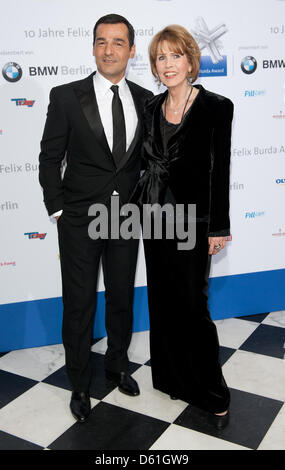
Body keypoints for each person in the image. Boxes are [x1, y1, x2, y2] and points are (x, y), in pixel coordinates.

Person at [39, 14, 153, 423]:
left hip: (126, 218)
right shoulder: (66, 96)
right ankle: (80, 383)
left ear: (131, 50)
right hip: (79, 220)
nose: (109, 50)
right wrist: (58, 209)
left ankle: (118, 365)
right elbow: (50, 158)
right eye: (102, 42)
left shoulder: (146, 99)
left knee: (121, 296)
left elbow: (150, 163)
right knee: (80, 302)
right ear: (92, 48)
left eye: (118, 43)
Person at [131, 25, 234, 429]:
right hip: (156, 220)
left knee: (193, 306)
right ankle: (174, 379)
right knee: (164, 301)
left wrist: (218, 227)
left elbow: (219, 170)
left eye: (176, 56)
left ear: (191, 61)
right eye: (161, 58)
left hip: (195, 223)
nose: (168, 64)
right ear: (155, 67)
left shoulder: (215, 106)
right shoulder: (151, 108)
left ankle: (212, 391)